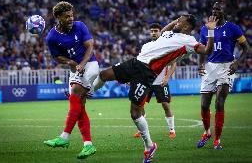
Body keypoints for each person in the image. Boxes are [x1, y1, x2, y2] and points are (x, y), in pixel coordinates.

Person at [93, 14, 217, 163]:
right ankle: (88, 92)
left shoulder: (189, 42)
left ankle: (149, 146)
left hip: (146, 72)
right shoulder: (168, 33)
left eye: (180, 21)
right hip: (135, 62)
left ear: (186, 27)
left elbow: (207, 50)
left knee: (135, 113)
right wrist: (175, 21)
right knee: (104, 74)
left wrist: (211, 31)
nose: (177, 21)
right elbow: (165, 30)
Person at [43, 1, 99, 159]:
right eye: (67, 16)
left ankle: (64, 137)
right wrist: (69, 62)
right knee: (79, 107)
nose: (71, 18)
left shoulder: (80, 26)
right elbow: (57, 57)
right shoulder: (51, 37)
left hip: (90, 65)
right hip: (75, 69)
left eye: (72, 15)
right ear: (58, 17)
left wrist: (81, 64)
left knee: (75, 92)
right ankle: (88, 145)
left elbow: (90, 46)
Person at [197, 2, 249, 150]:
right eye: (213, 9)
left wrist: (237, 62)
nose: (215, 11)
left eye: (218, 9)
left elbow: (246, 48)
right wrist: (201, 64)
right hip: (210, 67)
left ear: (223, 11)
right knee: (204, 104)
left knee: (219, 102)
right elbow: (202, 49)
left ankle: (217, 140)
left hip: (226, 67)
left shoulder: (233, 28)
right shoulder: (205, 28)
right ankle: (207, 133)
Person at [133, 23, 177, 139]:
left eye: (155, 31)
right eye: (151, 31)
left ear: (160, 32)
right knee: (139, 105)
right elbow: (140, 63)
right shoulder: (146, 46)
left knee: (165, 105)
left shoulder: (166, 46)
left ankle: (172, 130)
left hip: (161, 81)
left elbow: (174, 64)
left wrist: (167, 77)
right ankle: (141, 128)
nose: (153, 33)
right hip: (147, 80)